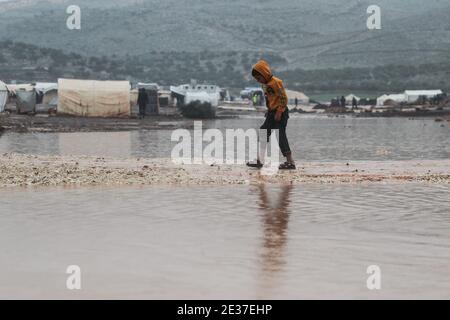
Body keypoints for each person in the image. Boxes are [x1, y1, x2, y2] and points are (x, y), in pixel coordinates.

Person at [247, 60, 295, 170]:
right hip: (271, 113)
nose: (259, 81)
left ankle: (290, 161)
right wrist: (269, 111)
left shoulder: (276, 82)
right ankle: (260, 160)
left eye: (259, 78)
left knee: (280, 135)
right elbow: (270, 99)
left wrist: (279, 112)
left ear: (265, 73)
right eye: (257, 80)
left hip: (280, 112)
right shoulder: (264, 85)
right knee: (263, 131)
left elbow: (283, 98)